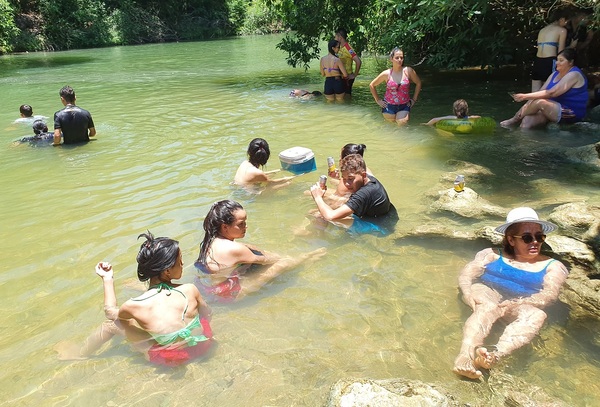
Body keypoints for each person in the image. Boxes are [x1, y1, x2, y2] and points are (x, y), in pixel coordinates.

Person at [56, 232, 214, 366]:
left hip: (174, 359)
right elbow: (207, 313)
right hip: (202, 344)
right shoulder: (190, 289)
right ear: (167, 272)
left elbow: (110, 312)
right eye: (180, 261)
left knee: (112, 324)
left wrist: (107, 279)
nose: (182, 263)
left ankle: (81, 354)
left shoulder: (133, 306)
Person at [453, 207, 569, 380]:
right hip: (489, 292)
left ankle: (492, 356)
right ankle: (466, 355)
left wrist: (518, 303)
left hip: (521, 303)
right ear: (511, 240)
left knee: (537, 315)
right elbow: (467, 274)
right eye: (527, 238)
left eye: (539, 237)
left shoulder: (553, 266)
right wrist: (467, 292)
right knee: (487, 305)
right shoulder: (491, 255)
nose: (535, 242)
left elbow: (549, 295)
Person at [194, 200, 326, 302]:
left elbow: (249, 250)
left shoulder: (212, 240)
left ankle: (303, 259)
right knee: (284, 263)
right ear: (225, 227)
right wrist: (290, 258)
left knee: (251, 250)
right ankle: (308, 258)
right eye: (241, 224)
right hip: (226, 295)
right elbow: (269, 260)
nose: (246, 226)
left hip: (209, 288)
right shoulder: (234, 249)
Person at [501, 48, 588, 129]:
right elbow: (541, 92)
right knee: (527, 121)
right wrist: (527, 97)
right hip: (550, 109)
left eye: (561, 60)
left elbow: (552, 93)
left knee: (540, 102)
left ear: (571, 62)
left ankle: (514, 120)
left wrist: (524, 96)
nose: (557, 63)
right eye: (557, 60)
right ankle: (524, 143)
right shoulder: (554, 74)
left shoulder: (574, 74)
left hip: (569, 112)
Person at [310, 154, 390, 222]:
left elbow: (330, 216)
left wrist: (317, 197)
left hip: (377, 225)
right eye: (344, 179)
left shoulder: (364, 193)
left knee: (320, 216)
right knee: (318, 210)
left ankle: (316, 235)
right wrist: (337, 178)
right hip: (384, 215)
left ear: (364, 175)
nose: (347, 184)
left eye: (351, 179)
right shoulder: (368, 178)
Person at [369, 47, 422, 126]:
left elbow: (418, 83)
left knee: (402, 125)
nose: (400, 59)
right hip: (388, 106)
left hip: (404, 105)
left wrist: (414, 99)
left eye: (401, 57)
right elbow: (372, 85)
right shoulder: (386, 74)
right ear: (391, 59)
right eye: (397, 58)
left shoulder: (408, 71)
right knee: (390, 128)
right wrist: (378, 100)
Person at [531, 11, 570, 92]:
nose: (566, 24)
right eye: (566, 21)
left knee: (535, 92)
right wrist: (572, 46)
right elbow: (561, 52)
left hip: (538, 61)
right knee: (547, 91)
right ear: (562, 19)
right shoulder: (562, 30)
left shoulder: (542, 30)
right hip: (549, 61)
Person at [334, 28, 362, 95]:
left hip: (347, 78)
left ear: (340, 37)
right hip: (339, 76)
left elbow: (358, 61)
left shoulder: (348, 48)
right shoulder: (338, 47)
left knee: (346, 97)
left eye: (335, 36)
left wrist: (354, 74)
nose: (334, 38)